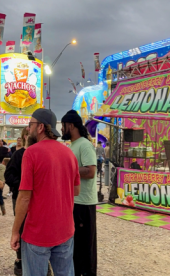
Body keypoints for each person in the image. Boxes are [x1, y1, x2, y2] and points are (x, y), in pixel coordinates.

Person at [10, 108, 80, 276]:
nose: (28, 129)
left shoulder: (31, 153)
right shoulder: (69, 153)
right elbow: (76, 190)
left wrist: (15, 231)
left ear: (40, 127)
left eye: (30, 124)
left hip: (38, 232)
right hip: (65, 229)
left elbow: (24, 198)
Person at [61, 110, 98, 276]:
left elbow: (90, 172)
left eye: (63, 126)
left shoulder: (84, 144)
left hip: (84, 204)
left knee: (86, 248)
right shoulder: (73, 145)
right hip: (74, 202)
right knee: (75, 247)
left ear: (70, 125)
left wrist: (67, 168)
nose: (61, 129)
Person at [4, 128, 29, 275]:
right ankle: (20, 258)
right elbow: (8, 175)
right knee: (21, 226)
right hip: (19, 197)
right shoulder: (18, 155)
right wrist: (23, 185)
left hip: (38, 199)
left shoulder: (40, 154)